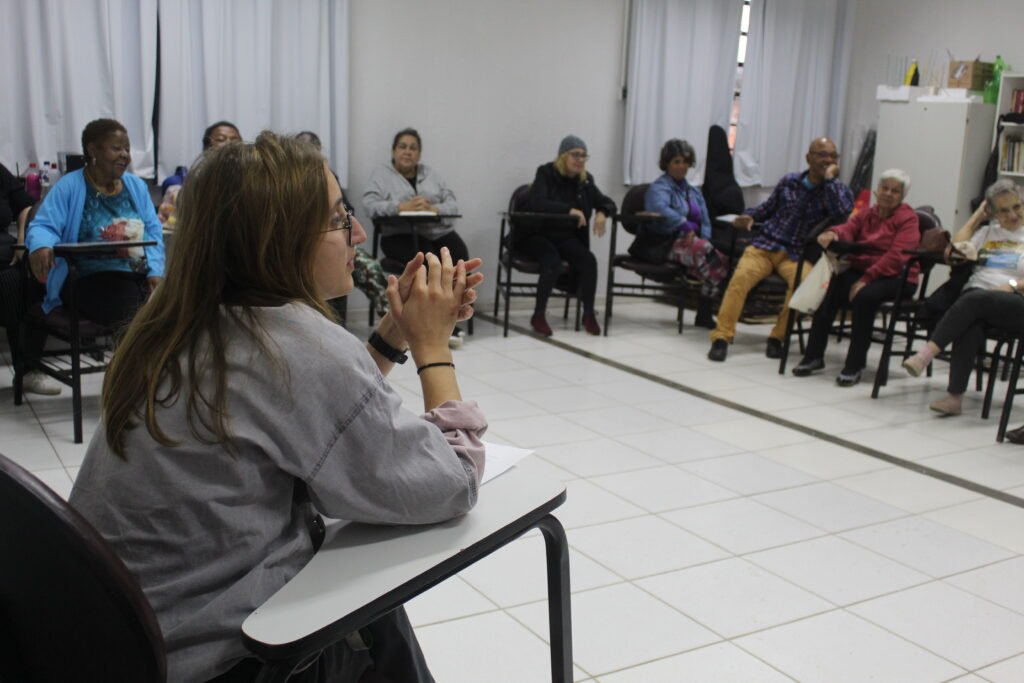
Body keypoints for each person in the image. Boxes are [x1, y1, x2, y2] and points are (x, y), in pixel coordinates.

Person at [69, 132, 487, 682]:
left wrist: (391, 336)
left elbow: (297, 412)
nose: (357, 233)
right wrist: (434, 346)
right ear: (281, 240)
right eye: (340, 220)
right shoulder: (298, 346)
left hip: (113, 643)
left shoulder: (178, 321)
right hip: (213, 664)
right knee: (376, 606)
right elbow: (451, 482)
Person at [24, 118, 165, 394]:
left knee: (166, 302)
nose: (125, 154)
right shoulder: (70, 186)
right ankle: (135, 384)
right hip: (85, 277)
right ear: (93, 150)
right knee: (134, 310)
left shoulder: (135, 187)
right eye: (116, 148)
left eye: (127, 148)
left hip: (134, 273)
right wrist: (41, 246)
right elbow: (43, 225)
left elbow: (153, 231)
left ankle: (142, 376)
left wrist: (156, 271)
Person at [707, 137, 854, 362]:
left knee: (802, 286)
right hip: (766, 244)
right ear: (808, 158)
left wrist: (830, 180)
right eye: (822, 154)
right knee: (740, 280)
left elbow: (842, 212)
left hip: (797, 253)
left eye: (832, 155)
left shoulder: (836, 190)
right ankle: (722, 337)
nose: (828, 160)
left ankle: (778, 337)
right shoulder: (789, 181)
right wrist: (749, 216)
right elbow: (767, 208)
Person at [902, 179, 1024, 416]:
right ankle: (954, 398)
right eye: (1004, 210)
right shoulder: (987, 232)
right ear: (993, 213)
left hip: (1016, 300)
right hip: (978, 299)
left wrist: (1011, 285)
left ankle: (925, 355)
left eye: (1017, 206)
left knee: (973, 300)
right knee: (971, 319)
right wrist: (977, 217)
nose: (1013, 214)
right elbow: (957, 249)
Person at [791, 169, 920, 386]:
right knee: (829, 289)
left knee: (864, 298)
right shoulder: (869, 213)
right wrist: (834, 233)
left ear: (902, 196)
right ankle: (813, 356)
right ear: (877, 190)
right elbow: (849, 228)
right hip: (865, 271)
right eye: (885, 188)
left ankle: (854, 365)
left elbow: (897, 257)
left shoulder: (908, 219)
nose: (888, 194)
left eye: (895, 191)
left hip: (898, 276)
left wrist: (866, 279)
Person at [362, 127, 469, 346]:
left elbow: (453, 203)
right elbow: (370, 205)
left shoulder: (431, 174)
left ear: (419, 154)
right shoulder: (381, 175)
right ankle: (437, 323)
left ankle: (452, 314)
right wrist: (402, 206)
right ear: (393, 152)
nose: (407, 152)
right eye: (402, 147)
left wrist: (434, 209)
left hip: (431, 232)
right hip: (397, 235)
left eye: (413, 148)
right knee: (429, 261)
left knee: (459, 255)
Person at [522, 135, 616, 336]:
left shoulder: (586, 180)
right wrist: (568, 210)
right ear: (563, 156)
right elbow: (536, 203)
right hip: (539, 233)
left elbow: (606, 201)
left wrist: (602, 212)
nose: (580, 160)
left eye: (584, 155)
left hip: (565, 237)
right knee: (552, 260)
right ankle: (538, 314)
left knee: (588, 260)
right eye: (575, 154)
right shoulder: (546, 172)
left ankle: (588, 313)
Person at [296, 130, 390, 320]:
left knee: (368, 267)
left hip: (338, 237)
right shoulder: (288, 186)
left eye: (314, 151)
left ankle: (392, 316)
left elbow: (348, 210)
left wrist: (338, 219)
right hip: (317, 243)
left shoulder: (330, 177)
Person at [644, 139, 728, 328]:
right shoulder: (658, 188)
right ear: (666, 163)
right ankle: (706, 311)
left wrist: (701, 237)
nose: (682, 166)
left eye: (686, 162)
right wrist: (686, 226)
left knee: (721, 260)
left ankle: (704, 311)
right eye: (677, 161)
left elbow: (705, 220)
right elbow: (661, 210)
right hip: (667, 242)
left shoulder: (693, 191)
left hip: (694, 244)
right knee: (713, 262)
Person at [158, 121, 242, 228]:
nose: (230, 144)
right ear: (206, 149)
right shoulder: (179, 193)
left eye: (235, 140)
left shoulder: (252, 188)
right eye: (221, 139)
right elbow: (165, 234)